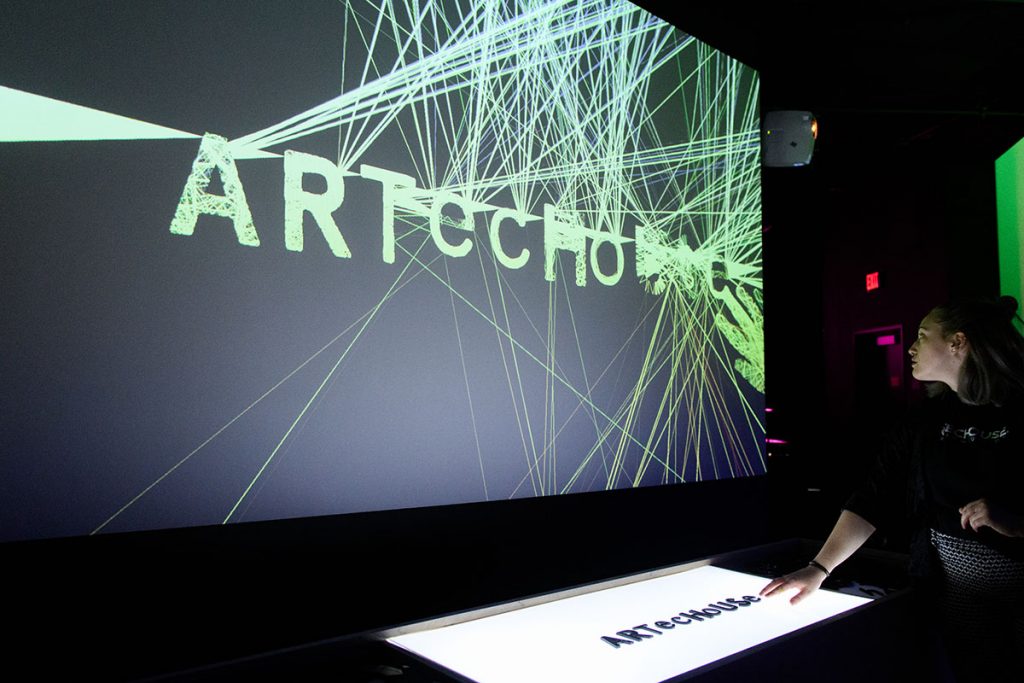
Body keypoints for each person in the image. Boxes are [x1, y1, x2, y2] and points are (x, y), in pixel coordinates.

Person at [759, 295, 1024, 683]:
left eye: (922, 335)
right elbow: (872, 497)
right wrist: (819, 568)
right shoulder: (924, 421)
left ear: (958, 343)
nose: (912, 347)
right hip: (955, 600)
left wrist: (1016, 522)